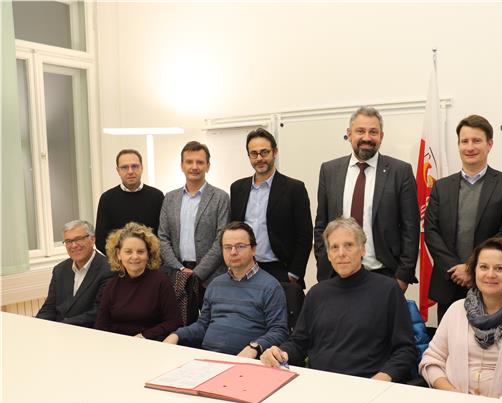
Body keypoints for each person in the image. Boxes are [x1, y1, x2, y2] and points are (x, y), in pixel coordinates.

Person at [261, 217, 417, 383]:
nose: (341, 253)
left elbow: (405, 350)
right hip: (319, 385)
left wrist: (381, 378)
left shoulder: (387, 290)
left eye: (348, 245)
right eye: (334, 247)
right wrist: (280, 353)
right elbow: (299, 344)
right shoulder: (317, 294)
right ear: (328, 255)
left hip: (368, 386)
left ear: (363, 250)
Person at [419, 237, 502, 401]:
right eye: (483, 267)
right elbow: (432, 359)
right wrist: (451, 392)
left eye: (499, 268)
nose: (490, 274)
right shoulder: (457, 310)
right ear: (474, 271)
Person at [425, 114, 502, 322]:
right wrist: (456, 269)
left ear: (489, 144)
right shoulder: (441, 187)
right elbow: (432, 232)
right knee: (450, 348)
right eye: (464, 141)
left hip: (490, 283)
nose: (470, 147)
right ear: (458, 145)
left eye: (477, 141)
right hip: (449, 282)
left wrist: (472, 267)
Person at [313, 106, 419, 291]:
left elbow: (411, 228)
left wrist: (402, 276)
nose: (367, 138)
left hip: (384, 274)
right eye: (360, 131)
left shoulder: (400, 172)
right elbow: (321, 224)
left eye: (373, 132)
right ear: (349, 134)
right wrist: (324, 263)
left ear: (381, 136)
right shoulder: (330, 171)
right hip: (337, 273)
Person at [163, 222, 288, 356]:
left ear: (253, 249)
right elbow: (202, 325)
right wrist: (176, 335)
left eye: (240, 246)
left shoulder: (271, 287)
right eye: (228, 247)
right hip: (207, 358)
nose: (233, 252)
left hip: (246, 363)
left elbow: (279, 331)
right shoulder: (215, 284)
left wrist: (254, 348)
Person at [229, 128, 313, 285]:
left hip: (280, 271)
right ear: (248, 156)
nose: (259, 158)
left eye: (264, 152)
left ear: (275, 152)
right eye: (254, 153)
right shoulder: (237, 188)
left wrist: (294, 273)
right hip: (245, 269)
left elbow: (305, 236)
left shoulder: (294, 189)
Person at [158, 141, 230, 288]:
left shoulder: (221, 197)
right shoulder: (170, 198)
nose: (194, 167)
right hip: (176, 275)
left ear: (208, 166)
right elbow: (163, 237)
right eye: (189, 162)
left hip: (212, 278)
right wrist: (180, 269)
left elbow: (221, 240)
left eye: (200, 162)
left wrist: (197, 273)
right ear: (182, 166)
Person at [95, 222, 182, 340]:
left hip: (149, 345)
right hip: (116, 345)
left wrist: (144, 336)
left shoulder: (161, 282)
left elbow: (174, 322)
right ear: (118, 254)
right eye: (128, 252)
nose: (135, 257)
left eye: (140, 252)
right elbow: (101, 325)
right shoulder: (111, 285)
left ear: (148, 255)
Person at [36, 220, 113, 327]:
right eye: (68, 241)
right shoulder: (59, 270)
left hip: (90, 334)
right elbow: (49, 307)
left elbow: (98, 312)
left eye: (78, 239)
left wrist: (60, 326)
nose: (73, 245)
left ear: (92, 239)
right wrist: (37, 325)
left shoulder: (108, 269)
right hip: (59, 331)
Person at [94, 149, 165, 254]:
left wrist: (146, 256)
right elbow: (101, 239)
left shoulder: (157, 196)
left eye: (135, 166)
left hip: (151, 263)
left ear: (142, 168)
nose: (130, 171)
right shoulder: (107, 199)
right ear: (118, 170)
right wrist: (120, 258)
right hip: (118, 265)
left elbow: (163, 235)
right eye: (124, 167)